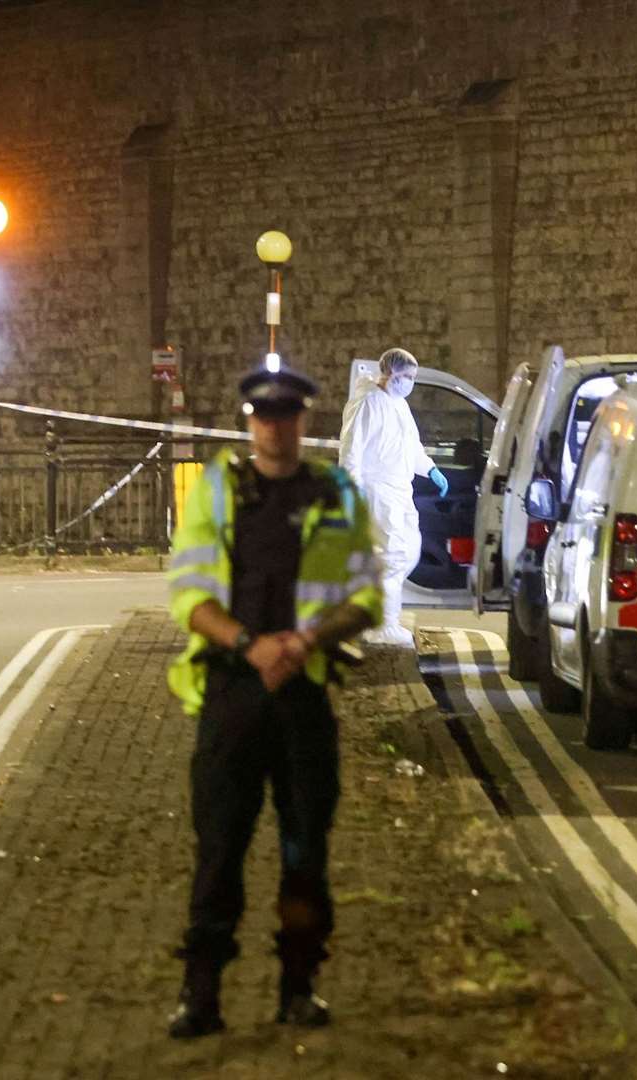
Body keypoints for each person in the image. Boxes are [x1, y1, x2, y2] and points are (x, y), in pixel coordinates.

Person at [164, 363, 382, 1038]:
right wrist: (253, 645)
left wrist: (306, 640)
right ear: (248, 422)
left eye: (286, 416)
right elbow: (188, 598)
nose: (275, 427)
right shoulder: (219, 492)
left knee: (303, 851)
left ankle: (298, 987)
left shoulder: (337, 492)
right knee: (219, 850)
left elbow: (366, 597)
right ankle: (201, 996)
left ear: (303, 420)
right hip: (231, 693)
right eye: (263, 417)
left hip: (303, 698)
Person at [338, 347, 447, 647]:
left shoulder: (398, 405)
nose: (410, 382)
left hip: (399, 489)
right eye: (406, 376)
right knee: (391, 554)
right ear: (390, 373)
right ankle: (383, 625)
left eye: (413, 377)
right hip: (376, 490)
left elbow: (410, 448)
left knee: (408, 549)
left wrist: (431, 469)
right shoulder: (368, 402)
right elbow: (351, 451)